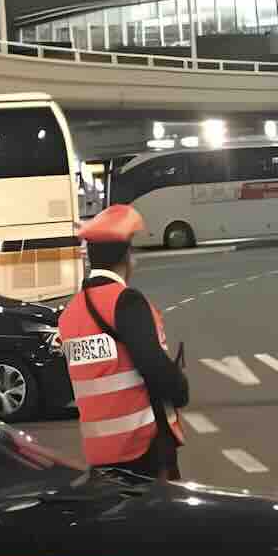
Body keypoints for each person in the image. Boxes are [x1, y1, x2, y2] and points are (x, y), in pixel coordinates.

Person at [59, 205, 189, 480]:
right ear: (125, 257)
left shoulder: (70, 314)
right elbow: (152, 365)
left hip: (99, 450)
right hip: (143, 446)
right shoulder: (125, 301)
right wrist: (180, 389)